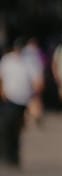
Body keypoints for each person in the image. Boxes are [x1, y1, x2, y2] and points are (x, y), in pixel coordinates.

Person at [0, 38, 39, 168]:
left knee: (17, 129)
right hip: (9, 98)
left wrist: (35, 97)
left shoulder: (29, 62)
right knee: (6, 127)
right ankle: (6, 155)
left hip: (23, 100)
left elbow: (36, 82)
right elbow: (1, 77)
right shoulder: (7, 60)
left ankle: (14, 156)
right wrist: (2, 93)